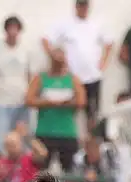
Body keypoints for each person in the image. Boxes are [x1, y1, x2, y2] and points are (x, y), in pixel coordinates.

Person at [42, 0, 113, 130]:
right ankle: (68, 140)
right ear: (76, 6)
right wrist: (55, 57)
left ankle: (91, 144)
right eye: (80, 5)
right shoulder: (65, 24)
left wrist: (103, 62)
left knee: (92, 114)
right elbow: (46, 40)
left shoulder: (97, 24)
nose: (83, 8)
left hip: (93, 77)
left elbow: (109, 43)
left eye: (85, 5)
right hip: (72, 78)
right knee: (68, 111)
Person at [26, 48, 84, 175]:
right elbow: (29, 100)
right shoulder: (40, 78)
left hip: (67, 132)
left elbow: (81, 101)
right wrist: (48, 102)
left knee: (69, 172)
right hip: (45, 131)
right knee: (40, 172)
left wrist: (66, 103)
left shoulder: (73, 79)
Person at [0, 16, 32, 157]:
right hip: (1, 101)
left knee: (21, 140)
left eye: (15, 28)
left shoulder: (26, 49)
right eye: (10, 28)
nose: (13, 32)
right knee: (0, 140)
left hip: (21, 100)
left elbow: (30, 75)